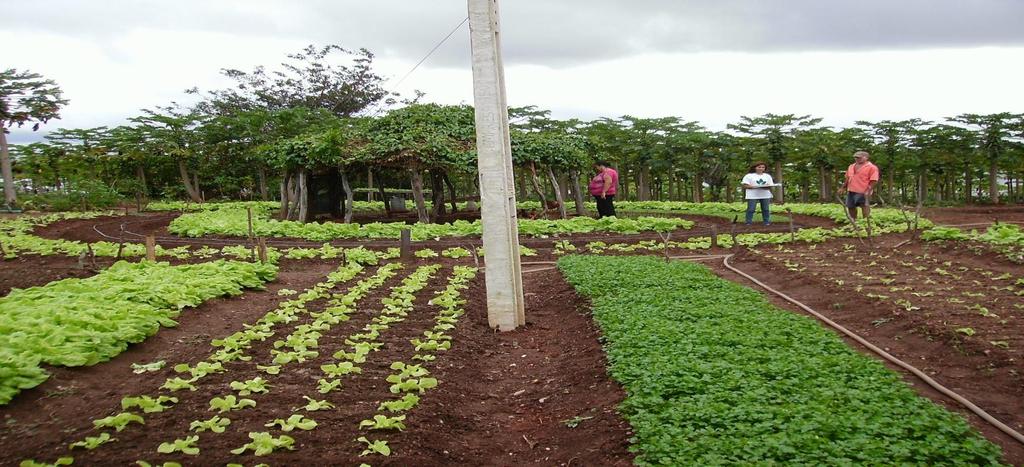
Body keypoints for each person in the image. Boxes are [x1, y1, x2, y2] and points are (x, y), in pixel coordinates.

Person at [839, 150, 880, 220]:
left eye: (859, 157)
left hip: (863, 191)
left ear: (866, 158)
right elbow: (848, 178)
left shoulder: (872, 167)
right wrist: (843, 188)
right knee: (850, 206)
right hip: (851, 190)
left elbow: (874, 180)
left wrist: (868, 190)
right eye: (855, 157)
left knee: (864, 206)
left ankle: (866, 222)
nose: (857, 159)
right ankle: (853, 221)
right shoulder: (851, 166)